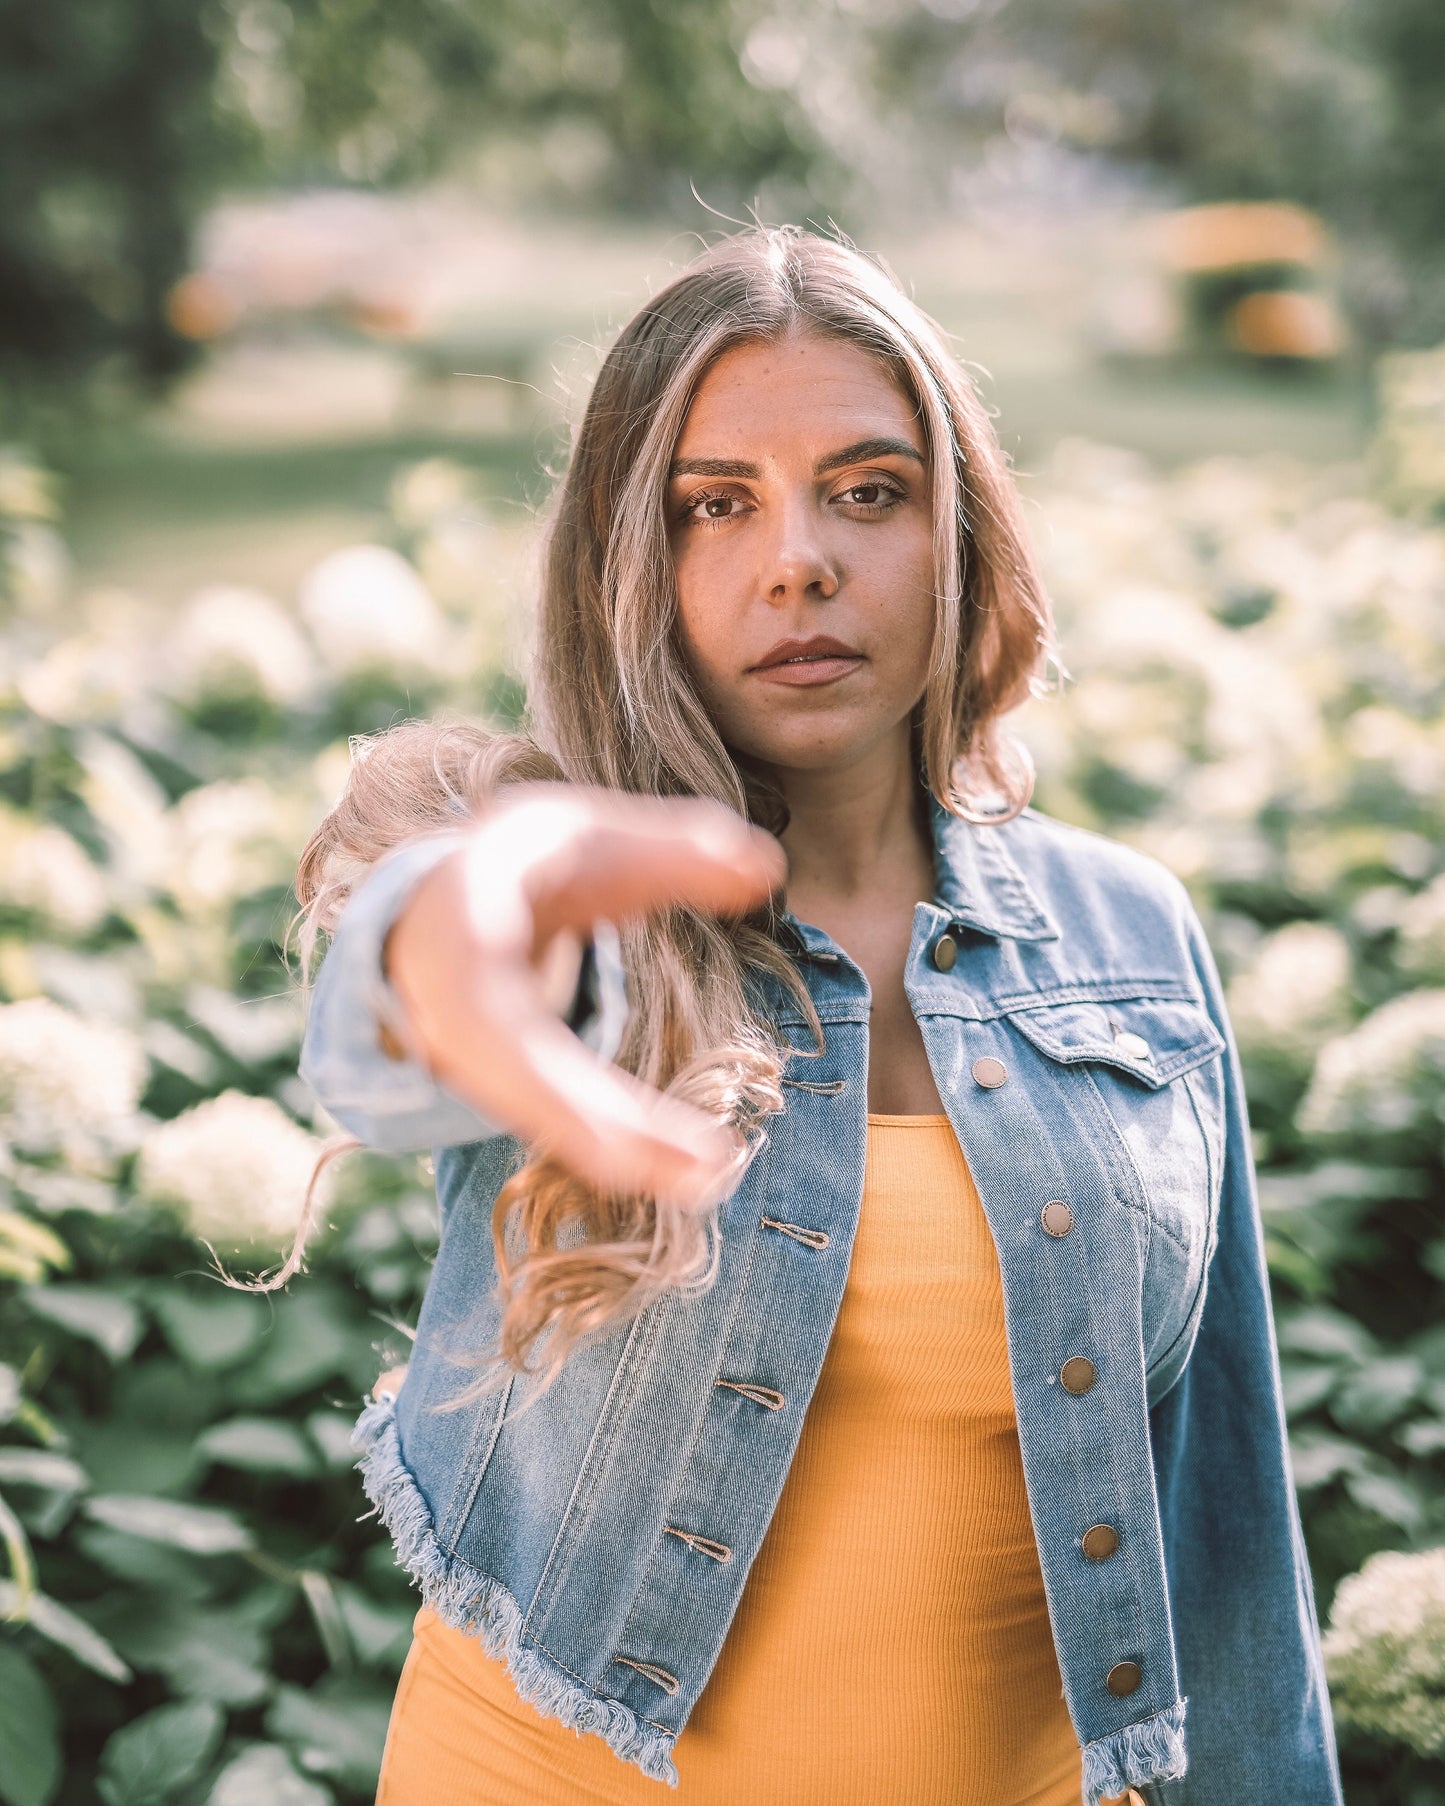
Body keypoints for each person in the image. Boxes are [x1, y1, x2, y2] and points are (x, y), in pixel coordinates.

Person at [292, 226, 1344, 1806]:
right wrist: (450, 925)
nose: (799, 560)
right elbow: (399, 1015)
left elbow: (1225, 1523)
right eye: (716, 505)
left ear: (957, 537)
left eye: (867, 491)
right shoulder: (589, 904)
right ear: (628, 562)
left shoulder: (1129, 936)